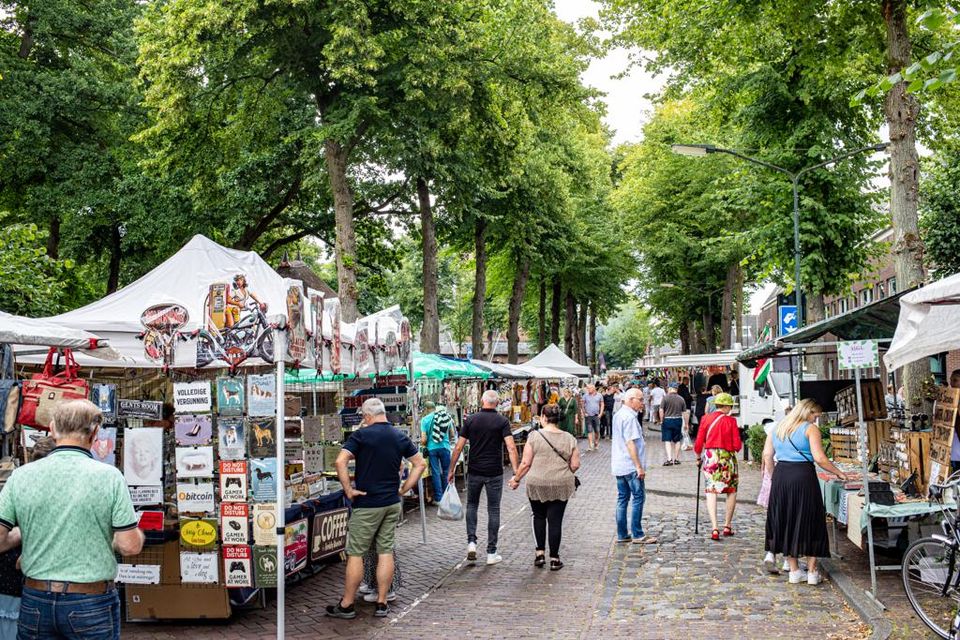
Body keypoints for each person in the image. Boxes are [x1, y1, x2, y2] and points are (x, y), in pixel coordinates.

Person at [0, 400, 144, 640]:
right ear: (95, 433)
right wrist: (132, 534)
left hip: (36, 598)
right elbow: (130, 546)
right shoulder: (109, 477)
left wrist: (30, 530)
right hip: (90, 600)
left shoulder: (21, 476)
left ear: (53, 428)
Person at [328, 398, 427, 619]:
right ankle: (382, 602)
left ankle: (347, 604)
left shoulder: (361, 436)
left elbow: (340, 461)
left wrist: (348, 490)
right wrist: (404, 488)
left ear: (366, 416)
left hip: (367, 503)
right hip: (391, 502)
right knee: (385, 551)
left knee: (355, 554)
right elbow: (420, 463)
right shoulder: (399, 435)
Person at [763, 399, 854, 585]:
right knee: (812, 519)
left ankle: (794, 571)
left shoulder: (777, 428)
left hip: (781, 475)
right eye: (815, 415)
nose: (816, 420)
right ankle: (812, 572)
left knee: (787, 518)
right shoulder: (810, 429)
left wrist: (774, 477)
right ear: (807, 412)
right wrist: (839, 472)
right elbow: (820, 458)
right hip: (803, 475)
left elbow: (767, 456)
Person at [448, 390, 519, 566]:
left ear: (482, 401)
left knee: (472, 505)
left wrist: (451, 469)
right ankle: (491, 552)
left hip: (474, 470)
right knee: (493, 509)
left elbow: (458, 447)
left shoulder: (470, 420)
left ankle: (471, 542)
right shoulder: (502, 421)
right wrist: (516, 472)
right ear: (497, 403)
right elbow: (511, 447)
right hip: (494, 471)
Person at [508, 404, 580, 571]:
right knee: (555, 521)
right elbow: (575, 464)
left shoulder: (534, 436)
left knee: (538, 516)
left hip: (537, 482)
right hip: (561, 483)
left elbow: (526, 463)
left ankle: (539, 554)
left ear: (543, 418)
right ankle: (554, 558)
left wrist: (516, 479)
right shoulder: (570, 438)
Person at [693, 393, 742, 541]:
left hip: (711, 458)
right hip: (728, 459)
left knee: (711, 491)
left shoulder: (705, 419)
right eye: (730, 407)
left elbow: (698, 442)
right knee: (731, 490)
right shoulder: (731, 421)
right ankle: (727, 526)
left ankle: (714, 528)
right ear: (726, 406)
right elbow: (738, 446)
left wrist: (697, 458)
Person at [611, 389, 656, 545]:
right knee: (638, 497)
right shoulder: (629, 418)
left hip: (619, 464)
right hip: (630, 465)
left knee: (622, 499)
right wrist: (638, 466)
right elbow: (630, 443)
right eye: (640, 399)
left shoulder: (618, 415)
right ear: (630, 400)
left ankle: (622, 534)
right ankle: (637, 533)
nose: (642, 402)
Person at [420, 402, 456, 503]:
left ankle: (439, 498)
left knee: (435, 473)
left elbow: (423, 439)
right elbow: (452, 434)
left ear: (426, 409)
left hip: (432, 449)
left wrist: (424, 443)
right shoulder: (444, 417)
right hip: (445, 447)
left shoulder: (424, 420)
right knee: (446, 472)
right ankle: (447, 496)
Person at [659, 383, 690, 466]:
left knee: (667, 440)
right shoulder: (681, 399)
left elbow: (661, 410)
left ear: (670, 388)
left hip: (667, 420)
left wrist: (661, 420)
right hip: (678, 420)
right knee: (677, 440)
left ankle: (669, 459)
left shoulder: (665, 398)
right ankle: (676, 459)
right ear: (676, 389)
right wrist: (686, 424)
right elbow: (685, 412)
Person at [581, 384, 604, 451]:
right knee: (589, 431)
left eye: (589, 388)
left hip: (596, 415)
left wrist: (601, 413)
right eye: (587, 388)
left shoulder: (599, 395)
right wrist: (584, 413)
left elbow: (602, 404)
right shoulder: (585, 395)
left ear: (593, 389)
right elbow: (582, 405)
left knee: (597, 431)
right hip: (588, 416)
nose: (588, 390)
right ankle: (590, 445)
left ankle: (596, 443)